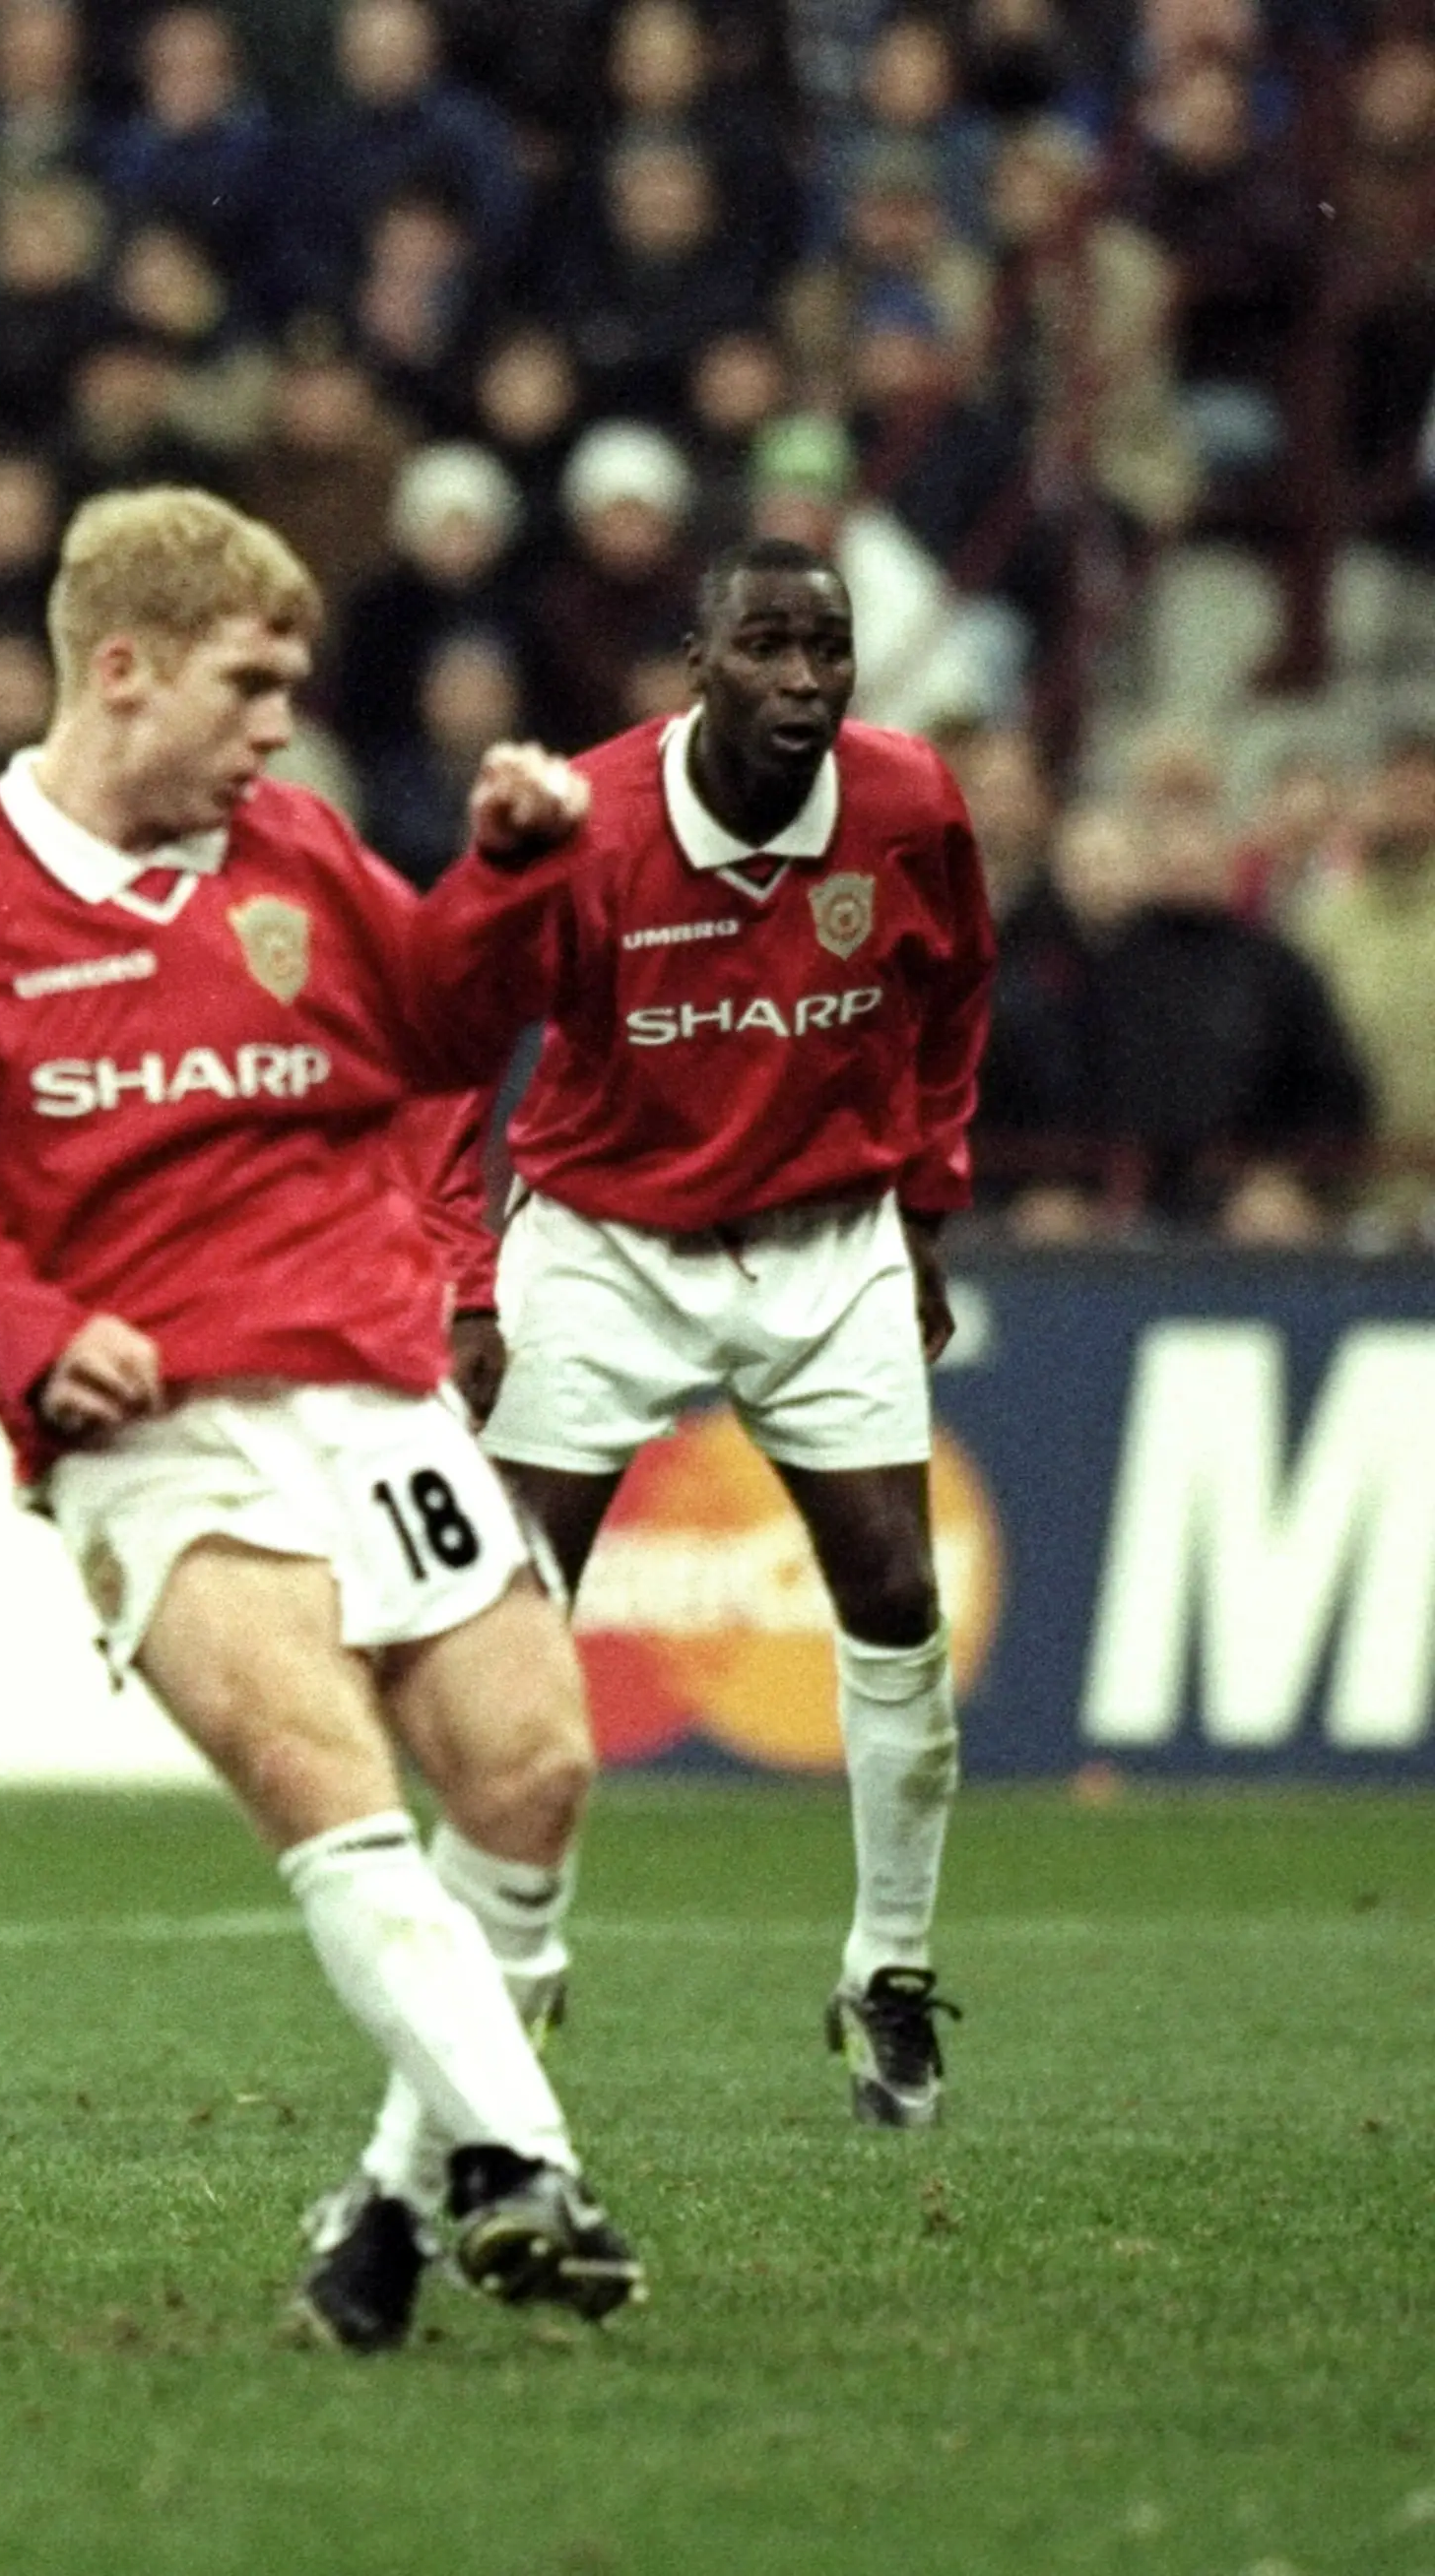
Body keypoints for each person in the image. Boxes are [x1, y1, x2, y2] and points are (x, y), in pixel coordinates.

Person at [0, 484, 645, 2355]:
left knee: (532, 1777)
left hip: (370, 1381)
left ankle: (392, 2207)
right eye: (251, 685)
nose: (279, 726)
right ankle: (526, 2165)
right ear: (124, 670)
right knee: (326, 1777)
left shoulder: (293, 849)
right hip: (155, 1420)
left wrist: (507, 871)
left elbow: (435, 1033)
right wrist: (33, 1329)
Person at [412, 535, 995, 2137]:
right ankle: (499, 1978)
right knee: (514, 1626)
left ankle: (889, 1974)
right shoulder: (588, 824)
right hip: (603, 1248)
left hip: (827, 1245)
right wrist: (467, 1280)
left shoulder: (908, 805)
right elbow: (459, 1055)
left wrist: (925, 1213)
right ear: (698, 664)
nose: (804, 679)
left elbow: (955, 1003)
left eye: (828, 648)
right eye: (767, 650)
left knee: (896, 1601)